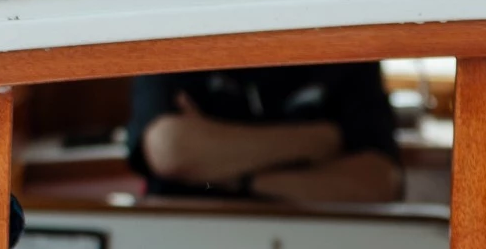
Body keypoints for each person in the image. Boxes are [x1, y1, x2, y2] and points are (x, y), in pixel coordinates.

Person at [129, 63, 404, 206]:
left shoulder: (346, 42)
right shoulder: (180, 29)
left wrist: (227, 174)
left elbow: (379, 183)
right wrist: (318, 140)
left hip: (317, 244)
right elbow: (170, 149)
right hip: (188, 240)